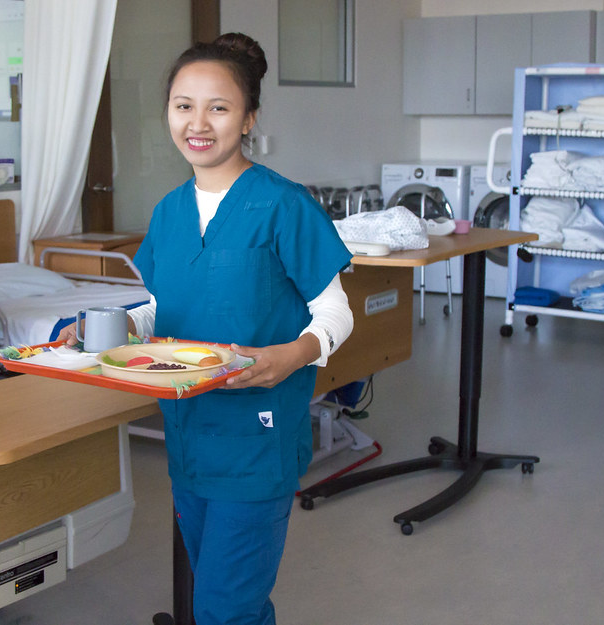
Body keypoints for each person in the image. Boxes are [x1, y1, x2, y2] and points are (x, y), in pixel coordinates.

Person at [60, 32, 353, 625]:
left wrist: (289, 357)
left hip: (256, 438)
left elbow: (336, 314)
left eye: (218, 107)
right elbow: (164, 306)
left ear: (248, 119)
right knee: (218, 598)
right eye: (183, 105)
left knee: (226, 608)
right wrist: (110, 325)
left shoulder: (282, 205)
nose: (198, 122)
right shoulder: (169, 211)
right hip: (189, 434)